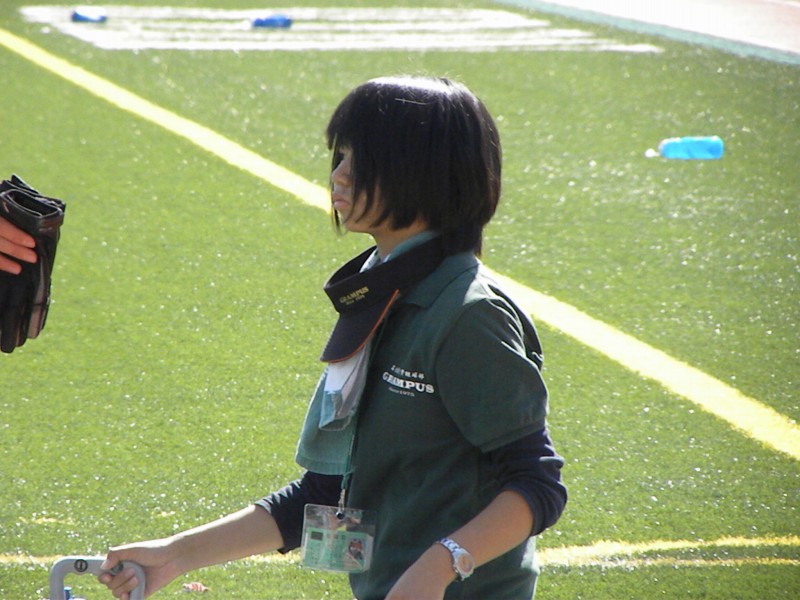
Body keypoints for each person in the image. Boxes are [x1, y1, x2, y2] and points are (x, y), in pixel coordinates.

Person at [98, 75, 567, 600]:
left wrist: (439, 567)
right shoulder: (378, 287)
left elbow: (537, 484)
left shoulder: (469, 316)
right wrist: (175, 554)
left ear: (425, 173)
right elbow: (325, 493)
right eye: (340, 157)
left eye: (362, 161)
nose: (339, 175)